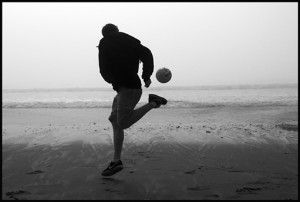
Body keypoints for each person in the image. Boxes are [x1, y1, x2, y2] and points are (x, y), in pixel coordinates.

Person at [97, 23, 167, 176]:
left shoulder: (105, 42)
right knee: (115, 121)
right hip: (126, 88)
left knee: (122, 122)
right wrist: (146, 75)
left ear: (104, 34)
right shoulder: (130, 41)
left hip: (128, 88)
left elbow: (102, 68)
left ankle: (153, 103)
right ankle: (116, 161)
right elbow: (147, 54)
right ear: (117, 31)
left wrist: (110, 78)